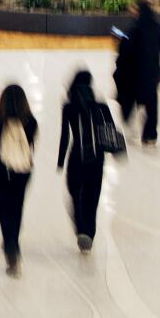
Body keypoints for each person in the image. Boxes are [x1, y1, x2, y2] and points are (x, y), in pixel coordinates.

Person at [0, 84, 38, 277]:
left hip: (0, 172)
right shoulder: (31, 122)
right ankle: (13, 243)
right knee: (17, 208)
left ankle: (10, 245)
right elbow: (30, 146)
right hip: (22, 172)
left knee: (3, 209)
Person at [57, 70, 115, 253]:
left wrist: (60, 161)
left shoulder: (69, 107)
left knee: (75, 194)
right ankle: (89, 233)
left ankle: (80, 228)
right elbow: (111, 131)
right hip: (96, 159)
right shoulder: (101, 107)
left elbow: (65, 135)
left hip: (76, 158)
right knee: (93, 196)